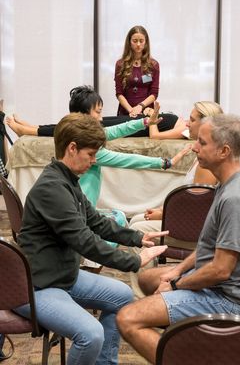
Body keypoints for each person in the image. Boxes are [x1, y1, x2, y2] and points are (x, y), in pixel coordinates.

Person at [14, 112, 168, 365]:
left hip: (62, 277)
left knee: (122, 296)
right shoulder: (52, 188)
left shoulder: (67, 181)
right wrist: (134, 261)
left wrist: (138, 237)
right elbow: (85, 240)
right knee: (90, 334)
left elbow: (95, 222)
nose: (94, 161)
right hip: (37, 286)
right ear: (72, 148)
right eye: (91, 155)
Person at [116, 113, 240, 365]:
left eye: (202, 142)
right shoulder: (227, 184)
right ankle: (186, 340)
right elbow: (210, 247)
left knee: (127, 319)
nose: (195, 147)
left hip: (225, 300)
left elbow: (220, 270)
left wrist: (176, 285)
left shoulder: (235, 199)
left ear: (224, 151)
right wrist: (178, 271)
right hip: (214, 284)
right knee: (147, 277)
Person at [6, 86, 190, 208]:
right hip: (79, 209)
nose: (101, 118)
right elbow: (129, 160)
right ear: (84, 116)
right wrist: (164, 162)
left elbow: (118, 129)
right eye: (98, 112)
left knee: (116, 221)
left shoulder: (75, 132)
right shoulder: (88, 149)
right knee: (114, 228)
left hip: (79, 206)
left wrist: (145, 122)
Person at [128, 100, 223, 298]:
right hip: (194, 225)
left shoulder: (206, 163)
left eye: (192, 120)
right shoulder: (206, 156)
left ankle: (143, 297)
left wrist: (161, 215)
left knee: (136, 230)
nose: (187, 123)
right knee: (137, 221)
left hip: (194, 234)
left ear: (206, 125)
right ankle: (150, 290)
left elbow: (194, 212)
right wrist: (161, 213)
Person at [115, 25, 159, 117]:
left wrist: (140, 107)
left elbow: (154, 93)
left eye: (141, 41)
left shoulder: (153, 65)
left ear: (146, 43)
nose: (138, 44)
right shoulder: (120, 64)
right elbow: (119, 93)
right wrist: (131, 110)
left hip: (146, 112)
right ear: (129, 42)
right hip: (126, 112)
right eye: (135, 41)